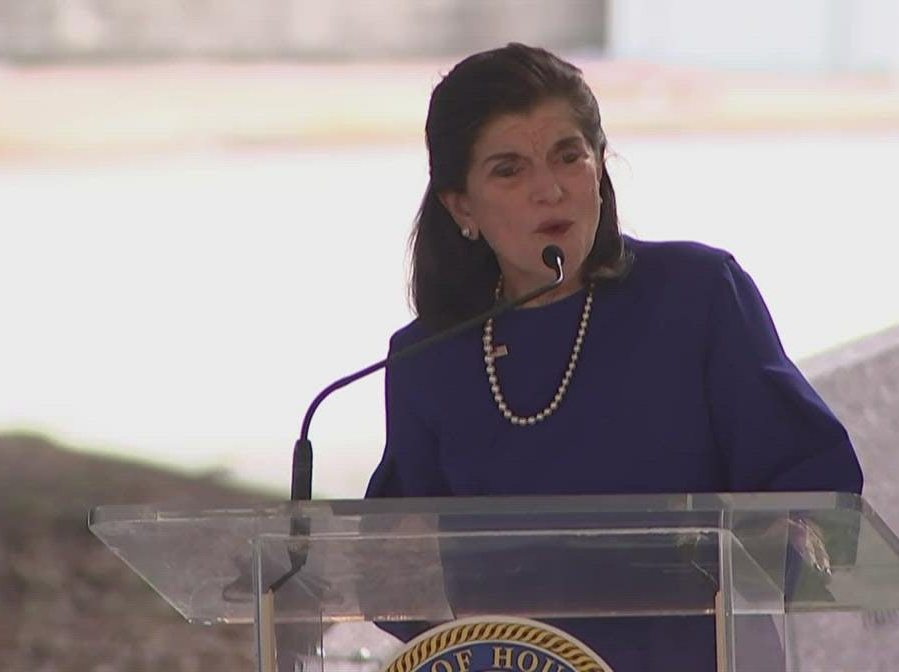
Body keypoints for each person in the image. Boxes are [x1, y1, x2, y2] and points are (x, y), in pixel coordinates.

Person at [365, 42, 862, 671]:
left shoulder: (697, 295)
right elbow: (391, 576)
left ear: (600, 166)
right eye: (509, 169)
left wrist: (744, 575)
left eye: (568, 156)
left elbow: (814, 495)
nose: (550, 189)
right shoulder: (426, 360)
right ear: (461, 205)